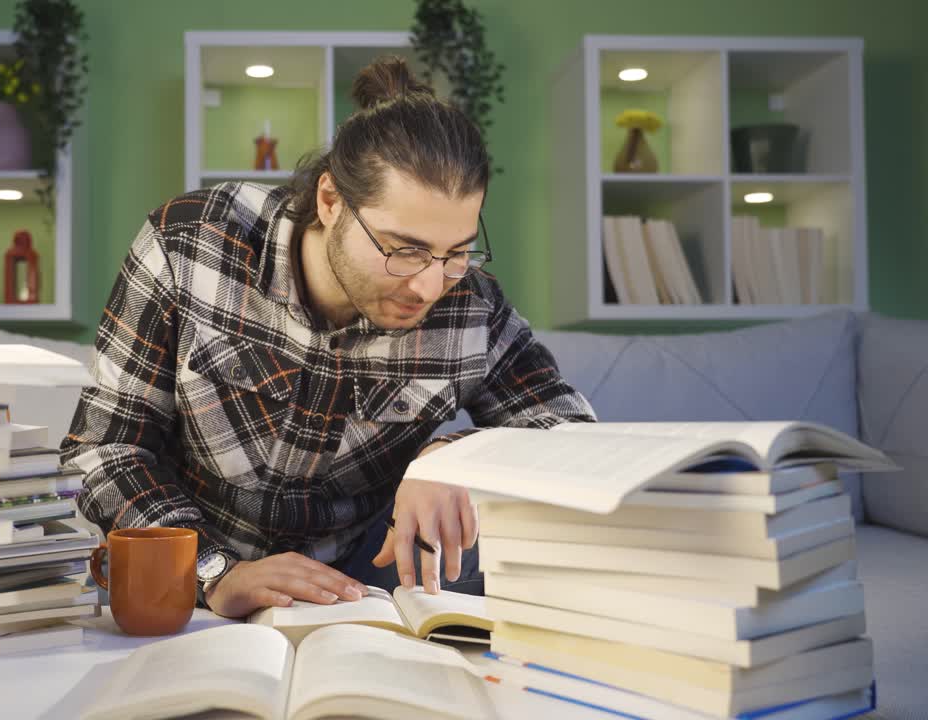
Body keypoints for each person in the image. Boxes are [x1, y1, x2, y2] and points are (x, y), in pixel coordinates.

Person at [62, 56, 596, 620]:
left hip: (358, 595)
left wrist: (457, 458)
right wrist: (214, 571)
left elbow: (574, 441)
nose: (429, 284)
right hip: (184, 584)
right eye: (404, 248)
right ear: (330, 201)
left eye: (457, 251)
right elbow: (107, 446)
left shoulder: (471, 309)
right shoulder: (190, 245)